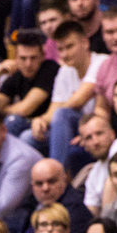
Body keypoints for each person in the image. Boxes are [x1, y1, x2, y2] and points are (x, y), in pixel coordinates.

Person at [37, 22, 106, 169]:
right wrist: (41, 120)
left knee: (63, 114)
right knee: (28, 136)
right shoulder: (64, 71)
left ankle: (55, 173)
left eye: (69, 47)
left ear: (85, 43)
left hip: (96, 129)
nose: (64, 54)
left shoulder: (102, 62)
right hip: (69, 130)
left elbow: (77, 101)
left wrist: (64, 105)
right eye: (60, 49)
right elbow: (52, 111)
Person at [0, 31, 59, 139]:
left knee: (13, 121)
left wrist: (2, 111)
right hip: (28, 126)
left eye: (33, 58)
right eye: (23, 58)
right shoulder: (16, 75)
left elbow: (25, 109)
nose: (28, 64)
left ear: (42, 56)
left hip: (48, 126)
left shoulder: (50, 68)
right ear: (16, 58)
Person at [13, 158, 93, 233]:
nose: (45, 188)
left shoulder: (75, 211)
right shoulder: (31, 205)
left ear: (64, 179)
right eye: (39, 184)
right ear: (32, 185)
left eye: (51, 181)